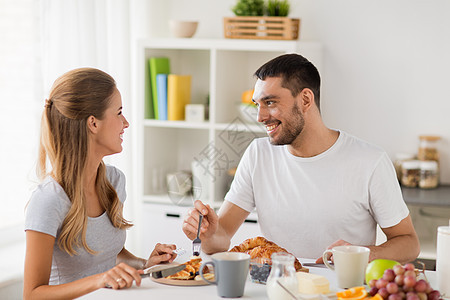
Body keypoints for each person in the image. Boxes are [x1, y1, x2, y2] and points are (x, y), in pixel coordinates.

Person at [182, 54, 420, 264]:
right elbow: (220, 240)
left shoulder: (370, 161)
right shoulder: (258, 154)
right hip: (276, 288)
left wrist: (364, 253)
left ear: (306, 100)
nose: (260, 116)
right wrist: (208, 233)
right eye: (257, 104)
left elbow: (409, 243)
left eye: (270, 102)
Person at [24, 68, 177, 299]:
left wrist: (146, 263)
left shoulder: (114, 181)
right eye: (119, 113)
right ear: (93, 124)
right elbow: (32, 294)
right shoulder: (49, 200)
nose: (125, 123)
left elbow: (109, 255)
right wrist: (99, 280)